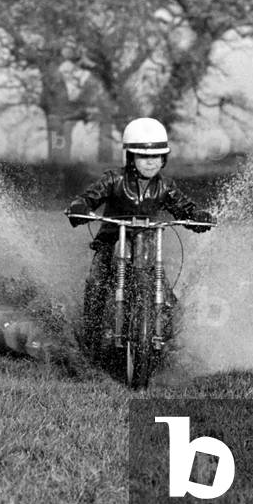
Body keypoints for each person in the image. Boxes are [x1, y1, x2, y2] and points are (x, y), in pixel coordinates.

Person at [63, 117, 215, 360]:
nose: (150, 162)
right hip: (112, 242)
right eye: (143, 157)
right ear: (130, 157)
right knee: (97, 280)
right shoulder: (113, 179)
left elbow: (183, 206)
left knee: (164, 293)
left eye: (156, 157)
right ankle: (90, 339)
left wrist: (196, 216)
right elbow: (89, 197)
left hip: (147, 245)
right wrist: (80, 207)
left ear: (164, 159)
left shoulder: (165, 186)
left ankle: (168, 340)